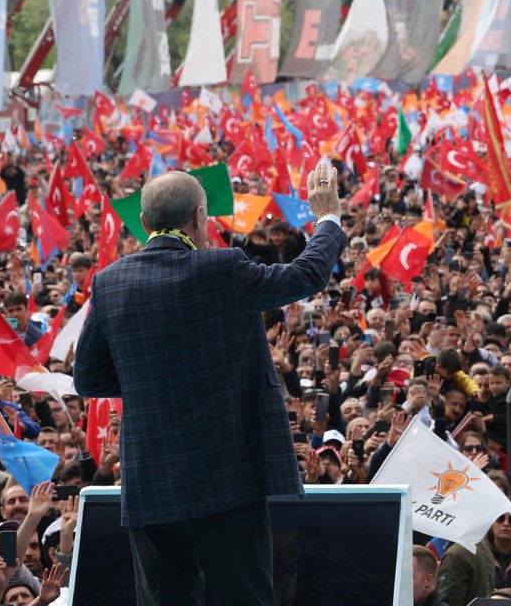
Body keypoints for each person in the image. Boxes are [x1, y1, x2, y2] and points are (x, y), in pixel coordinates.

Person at [73, 163, 346, 606]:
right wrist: (328, 217)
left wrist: (147, 380)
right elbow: (307, 275)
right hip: (227, 478)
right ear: (200, 217)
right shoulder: (223, 268)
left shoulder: (108, 283)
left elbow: (86, 380)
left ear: (144, 223)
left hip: (149, 482)